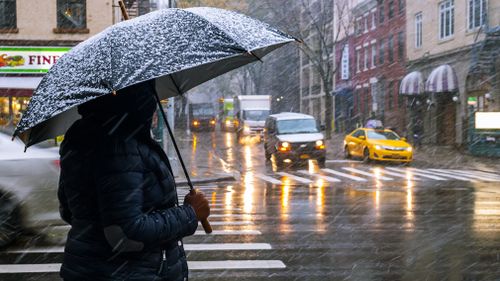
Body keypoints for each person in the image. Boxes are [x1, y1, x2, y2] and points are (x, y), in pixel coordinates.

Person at [57, 80, 210, 281]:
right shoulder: (121, 145)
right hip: (127, 273)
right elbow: (127, 233)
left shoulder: (81, 135)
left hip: (89, 268)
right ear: (138, 97)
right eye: (149, 90)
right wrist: (190, 214)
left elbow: (69, 210)